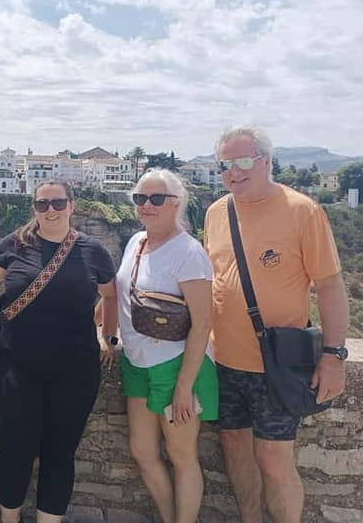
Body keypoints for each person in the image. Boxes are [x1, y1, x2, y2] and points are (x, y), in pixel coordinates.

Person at [204, 125, 349, 523]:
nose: (234, 171)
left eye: (243, 161)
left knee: (273, 457)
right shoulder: (217, 212)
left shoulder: (302, 210)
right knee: (234, 445)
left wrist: (334, 356)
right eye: (225, 165)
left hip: (276, 363)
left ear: (266, 161)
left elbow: (331, 287)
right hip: (225, 361)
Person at [0, 180, 118, 523]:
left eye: (58, 203)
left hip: (75, 369)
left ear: (72, 206)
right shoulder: (16, 244)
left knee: (60, 453)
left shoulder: (93, 251)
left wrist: (109, 335)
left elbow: (111, 295)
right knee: (15, 448)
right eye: (43, 204)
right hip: (16, 365)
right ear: (34, 207)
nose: (51, 211)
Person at [113, 168, 216, 523]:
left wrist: (185, 386)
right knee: (142, 450)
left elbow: (203, 322)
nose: (147, 205)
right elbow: (119, 295)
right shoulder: (135, 242)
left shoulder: (189, 252)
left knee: (181, 453)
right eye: (140, 198)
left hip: (176, 365)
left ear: (177, 203)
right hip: (137, 361)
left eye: (157, 198)